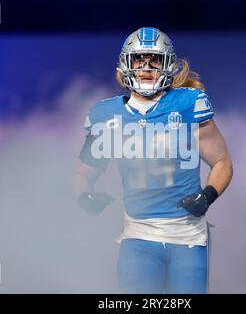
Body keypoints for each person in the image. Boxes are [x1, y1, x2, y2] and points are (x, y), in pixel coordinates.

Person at [72, 27, 233, 294]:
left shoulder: (188, 104)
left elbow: (223, 162)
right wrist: (85, 197)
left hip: (187, 234)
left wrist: (208, 195)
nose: (146, 67)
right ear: (126, 64)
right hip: (138, 234)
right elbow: (82, 174)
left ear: (167, 65)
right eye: (139, 60)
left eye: (154, 60)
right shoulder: (108, 114)